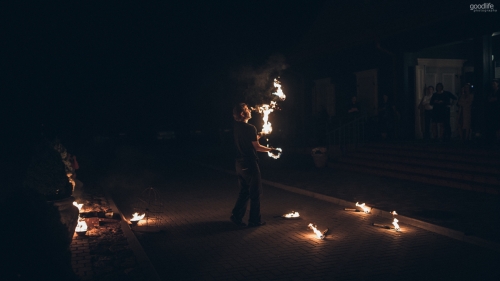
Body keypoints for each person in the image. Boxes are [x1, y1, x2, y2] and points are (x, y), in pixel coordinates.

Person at [230, 103, 278, 227]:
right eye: (246, 109)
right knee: (255, 193)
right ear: (242, 114)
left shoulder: (237, 126)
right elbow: (256, 147)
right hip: (250, 164)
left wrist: (260, 134)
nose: (249, 110)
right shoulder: (250, 127)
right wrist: (271, 149)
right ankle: (254, 221)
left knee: (244, 192)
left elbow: (250, 139)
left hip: (239, 164)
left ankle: (236, 216)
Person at [485, 79, 500, 144]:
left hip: (498, 110)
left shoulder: (498, 92)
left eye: (494, 84)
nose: (493, 85)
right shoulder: (491, 92)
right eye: (492, 84)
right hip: (493, 111)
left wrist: (495, 99)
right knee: (494, 125)